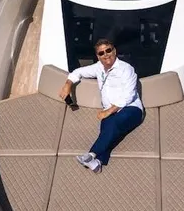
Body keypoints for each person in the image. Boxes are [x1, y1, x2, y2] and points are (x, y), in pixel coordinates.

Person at [58, 39, 144, 174]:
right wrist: (68, 84)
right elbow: (77, 72)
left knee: (114, 123)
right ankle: (97, 163)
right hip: (109, 111)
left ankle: (91, 154)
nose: (106, 55)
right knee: (109, 131)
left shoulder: (126, 69)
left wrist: (109, 111)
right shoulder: (98, 68)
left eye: (108, 50)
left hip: (131, 109)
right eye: (101, 53)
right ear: (98, 56)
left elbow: (129, 96)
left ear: (114, 51)